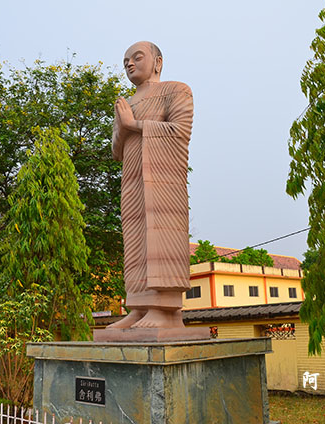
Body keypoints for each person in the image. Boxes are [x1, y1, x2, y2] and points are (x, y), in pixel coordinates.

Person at [109, 41, 194, 329]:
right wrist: (123, 125)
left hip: (163, 179)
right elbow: (116, 151)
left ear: (157, 62)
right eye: (125, 62)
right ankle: (139, 306)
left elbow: (180, 131)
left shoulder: (176, 90)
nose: (129, 64)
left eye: (136, 58)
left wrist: (134, 125)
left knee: (161, 236)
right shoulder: (126, 103)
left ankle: (165, 309)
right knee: (134, 238)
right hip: (131, 178)